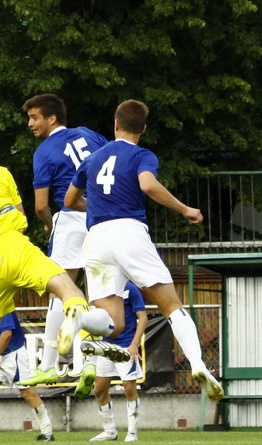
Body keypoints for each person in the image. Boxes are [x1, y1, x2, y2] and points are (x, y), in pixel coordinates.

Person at [0, 129, 122, 445]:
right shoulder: (0, 173)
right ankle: (79, 327)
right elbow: (20, 213)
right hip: (13, 245)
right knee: (66, 286)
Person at [64, 99, 224, 403]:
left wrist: (96, 205)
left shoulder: (93, 158)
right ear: (144, 128)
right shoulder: (142, 155)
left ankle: (79, 320)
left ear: (115, 124)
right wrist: (184, 208)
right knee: (172, 306)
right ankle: (199, 364)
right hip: (128, 232)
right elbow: (148, 185)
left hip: (96, 238)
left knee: (114, 323)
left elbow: (70, 200)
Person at [19, 94, 109, 396]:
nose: (30, 124)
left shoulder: (44, 151)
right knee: (95, 294)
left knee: (61, 290)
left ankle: (48, 363)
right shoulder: (90, 134)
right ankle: (89, 362)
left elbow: (41, 204)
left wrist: (47, 223)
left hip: (70, 219)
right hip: (100, 218)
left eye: (35, 117)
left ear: (52, 118)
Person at [0, 310, 56, 442]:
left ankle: (47, 432)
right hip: (0, 355)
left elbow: (7, 334)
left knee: (29, 394)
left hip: (14, 354)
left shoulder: (4, 306)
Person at [90, 282, 147, 442]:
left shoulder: (130, 288)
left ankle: (132, 433)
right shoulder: (99, 288)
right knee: (99, 390)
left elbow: (143, 318)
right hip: (105, 347)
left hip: (126, 347)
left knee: (129, 388)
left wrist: (134, 344)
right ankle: (109, 432)